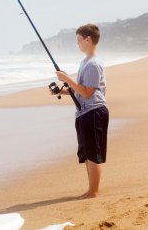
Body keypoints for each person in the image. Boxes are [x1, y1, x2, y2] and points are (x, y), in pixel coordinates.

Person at [52, 23, 109, 199]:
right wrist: (61, 90)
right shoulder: (85, 62)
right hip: (85, 113)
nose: (77, 44)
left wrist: (66, 78)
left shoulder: (93, 64)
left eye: (79, 40)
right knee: (88, 153)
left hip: (93, 112)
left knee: (93, 153)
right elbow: (81, 90)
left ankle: (94, 192)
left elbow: (87, 92)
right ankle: (91, 189)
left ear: (88, 39)